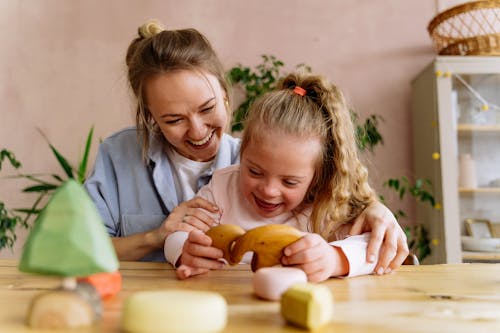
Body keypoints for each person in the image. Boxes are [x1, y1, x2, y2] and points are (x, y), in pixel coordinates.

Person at [84, 19, 408, 273]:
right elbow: (78, 253)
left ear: (225, 95)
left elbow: (354, 224)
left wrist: (373, 210)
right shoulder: (121, 157)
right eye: (173, 120)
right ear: (150, 116)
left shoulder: (264, 156)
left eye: (207, 108)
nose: (197, 131)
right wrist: (161, 237)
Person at [166, 72, 388, 282]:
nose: (269, 190)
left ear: (316, 177)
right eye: (254, 171)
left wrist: (334, 259)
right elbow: (177, 236)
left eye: (290, 182)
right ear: (241, 153)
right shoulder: (222, 187)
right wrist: (184, 251)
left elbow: (376, 247)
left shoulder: (327, 203)